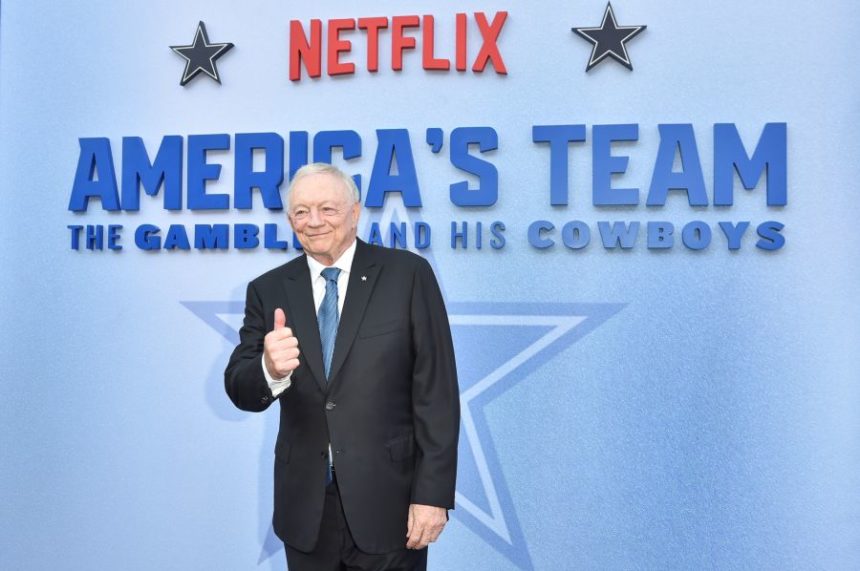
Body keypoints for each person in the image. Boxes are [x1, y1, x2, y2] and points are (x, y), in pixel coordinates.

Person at [225, 163, 460, 571]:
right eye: (301, 211)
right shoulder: (268, 289)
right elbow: (240, 388)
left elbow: (436, 393)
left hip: (390, 506)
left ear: (354, 213)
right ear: (290, 220)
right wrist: (269, 369)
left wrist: (432, 495)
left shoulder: (407, 275)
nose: (314, 221)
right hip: (306, 513)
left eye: (327, 209)